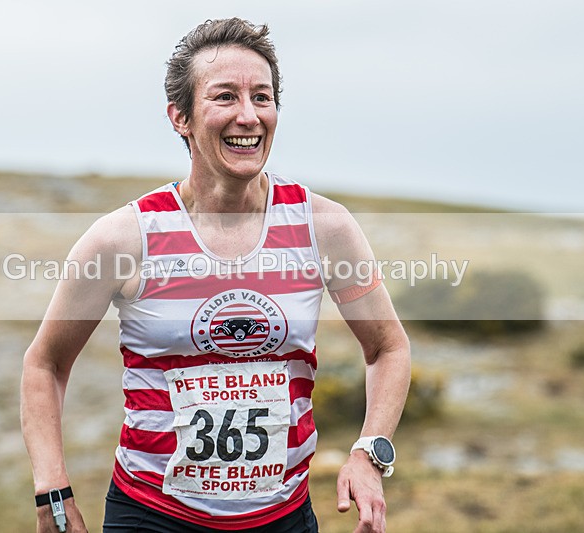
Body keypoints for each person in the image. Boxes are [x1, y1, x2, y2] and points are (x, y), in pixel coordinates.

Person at [21, 17, 411, 533]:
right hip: (152, 516)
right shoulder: (122, 239)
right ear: (179, 117)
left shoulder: (323, 227)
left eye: (263, 98)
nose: (249, 116)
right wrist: (53, 490)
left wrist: (369, 452)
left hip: (283, 518)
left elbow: (388, 347)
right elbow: (44, 365)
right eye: (225, 97)